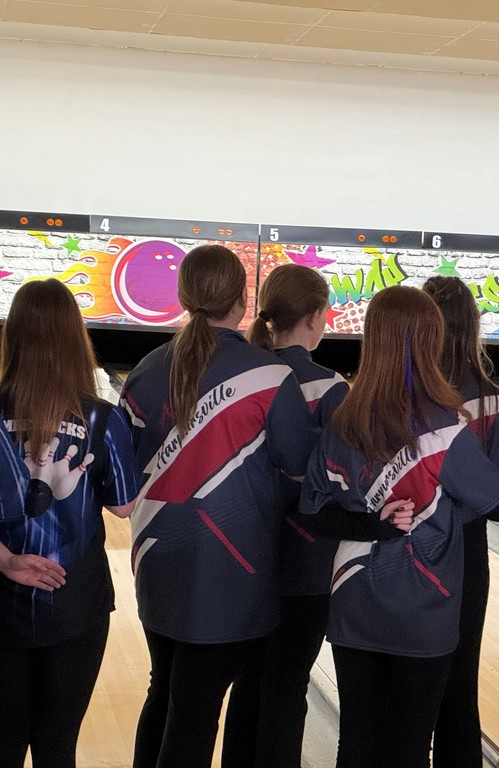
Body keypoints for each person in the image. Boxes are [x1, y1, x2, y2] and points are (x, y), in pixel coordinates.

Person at [120, 245, 316, 768]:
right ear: (242, 298)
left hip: (157, 557)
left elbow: (126, 472)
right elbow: (299, 472)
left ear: (184, 297)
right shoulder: (271, 377)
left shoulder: (143, 370)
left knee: (164, 694)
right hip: (233, 568)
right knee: (195, 711)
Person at [300, 284, 499, 768]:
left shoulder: (343, 421)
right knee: (409, 750)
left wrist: (376, 524)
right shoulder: (444, 429)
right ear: (430, 341)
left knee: (356, 742)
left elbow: (314, 511)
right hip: (424, 608)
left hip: (354, 603)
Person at [0, 278, 140, 768]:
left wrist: (8, 558)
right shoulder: (103, 419)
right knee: (58, 745)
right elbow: (124, 507)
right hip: (74, 598)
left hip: (3, 598)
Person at [219, 264, 349, 768]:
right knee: (286, 687)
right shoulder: (331, 386)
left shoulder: (245, 373)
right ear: (316, 316)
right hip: (307, 561)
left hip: (245, 552)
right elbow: (340, 478)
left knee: (249, 681)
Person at [422, 276, 499, 768]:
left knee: (411, 680)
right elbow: (497, 487)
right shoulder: (495, 399)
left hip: (406, 546)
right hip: (466, 549)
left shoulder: (401, 395)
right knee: (461, 679)